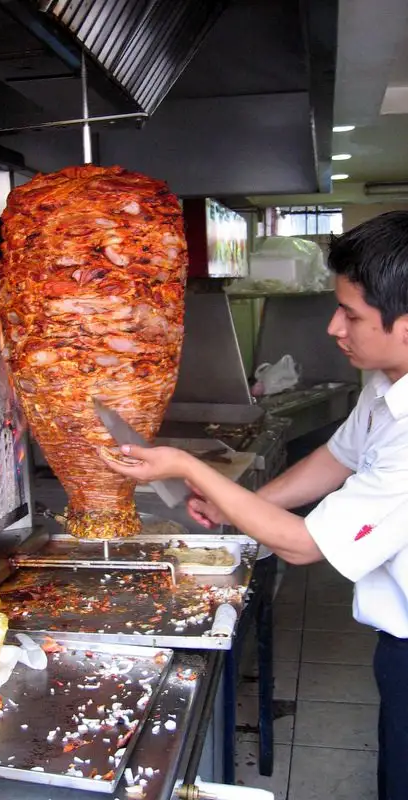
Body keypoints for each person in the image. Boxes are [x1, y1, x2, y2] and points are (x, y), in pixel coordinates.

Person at [100, 210, 408, 800]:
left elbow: (305, 545)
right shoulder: (385, 382)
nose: (332, 328)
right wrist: (238, 503)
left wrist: (191, 469)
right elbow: (338, 459)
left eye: (352, 314)